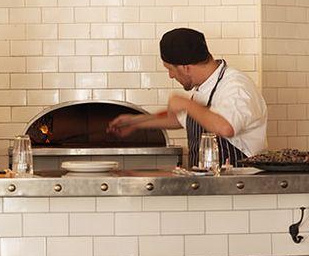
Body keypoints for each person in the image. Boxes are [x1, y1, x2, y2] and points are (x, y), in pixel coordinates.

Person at [109, 27, 267, 168]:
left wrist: (186, 103)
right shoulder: (206, 86)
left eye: (170, 69)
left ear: (185, 67)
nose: (171, 75)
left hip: (239, 187)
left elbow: (226, 128)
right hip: (211, 185)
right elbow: (181, 119)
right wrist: (135, 122)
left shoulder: (236, 85)